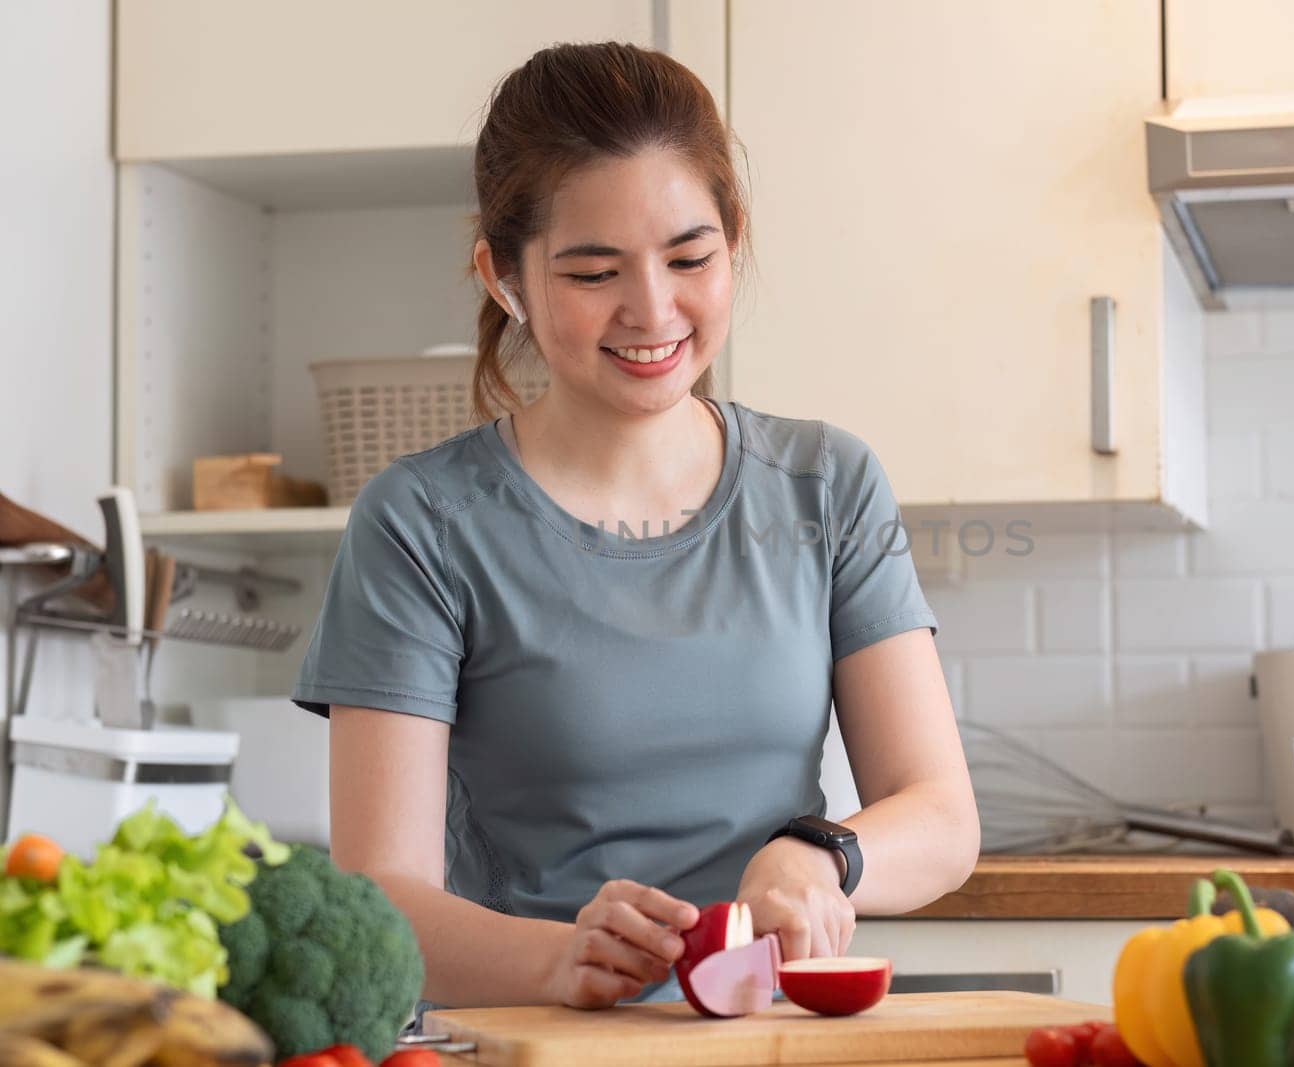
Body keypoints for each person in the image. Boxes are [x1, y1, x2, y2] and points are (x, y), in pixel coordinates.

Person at [291, 41, 978, 1012]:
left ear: (733, 239)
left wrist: (818, 854)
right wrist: (554, 957)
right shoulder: (422, 521)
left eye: (689, 256)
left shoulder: (826, 483)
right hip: (534, 1035)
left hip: (763, 1037)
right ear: (503, 277)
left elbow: (943, 819)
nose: (652, 310)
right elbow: (382, 898)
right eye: (591, 271)